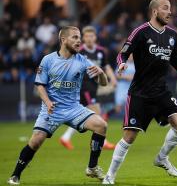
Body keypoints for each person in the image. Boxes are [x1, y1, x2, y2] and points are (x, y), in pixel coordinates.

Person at [102, 0, 177, 184]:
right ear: (155, 11)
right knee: (129, 137)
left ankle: (162, 158)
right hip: (140, 92)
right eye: (165, 8)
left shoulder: (173, 35)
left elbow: (176, 62)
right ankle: (110, 176)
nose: (170, 12)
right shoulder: (140, 32)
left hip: (161, 91)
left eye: (170, 8)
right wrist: (122, 64)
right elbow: (123, 53)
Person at [7, 26, 108, 185]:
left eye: (79, 37)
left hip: (74, 108)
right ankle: (15, 175)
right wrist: (47, 102)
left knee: (101, 125)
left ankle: (92, 167)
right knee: (35, 142)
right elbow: (40, 85)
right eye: (74, 37)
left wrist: (101, 73)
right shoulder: (48, 60)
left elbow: (103, 83)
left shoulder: (82, 60)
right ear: (63, 40)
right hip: (52, 109)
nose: (78, 41)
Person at [59, 26, 117, 150]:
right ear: (83, 38)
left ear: (95, 37)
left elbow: (106, 66)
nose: (89, 39)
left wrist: (113, 78)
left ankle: (65, 137)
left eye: (92, 36)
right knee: (96, 112)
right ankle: (104, 141)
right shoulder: (80, 52)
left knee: (83, 114)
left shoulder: (101, 51)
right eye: (86, 36)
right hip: (84, 86)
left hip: (94, 85)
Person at [103, 55, 135, 120]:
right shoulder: (123, 64)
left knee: (132, 105)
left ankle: (131, 121)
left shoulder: (136, 64)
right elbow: (117, 75)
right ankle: (106, 115)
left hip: (132, 87)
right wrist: (126, 77)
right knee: (118, 107)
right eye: (130, 55)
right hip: (122, 87)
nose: (131, 57)